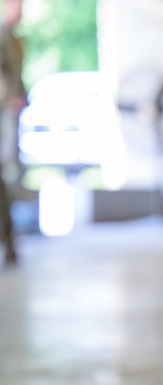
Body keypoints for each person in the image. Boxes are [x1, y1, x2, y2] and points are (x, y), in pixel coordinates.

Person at [0, 0, 24, 265]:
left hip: (10, 111)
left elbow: (15, 75)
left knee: (10, 173)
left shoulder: (14, 38)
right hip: (5, 110)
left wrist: (19, 96)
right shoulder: (3, 35)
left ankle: (8, 237)